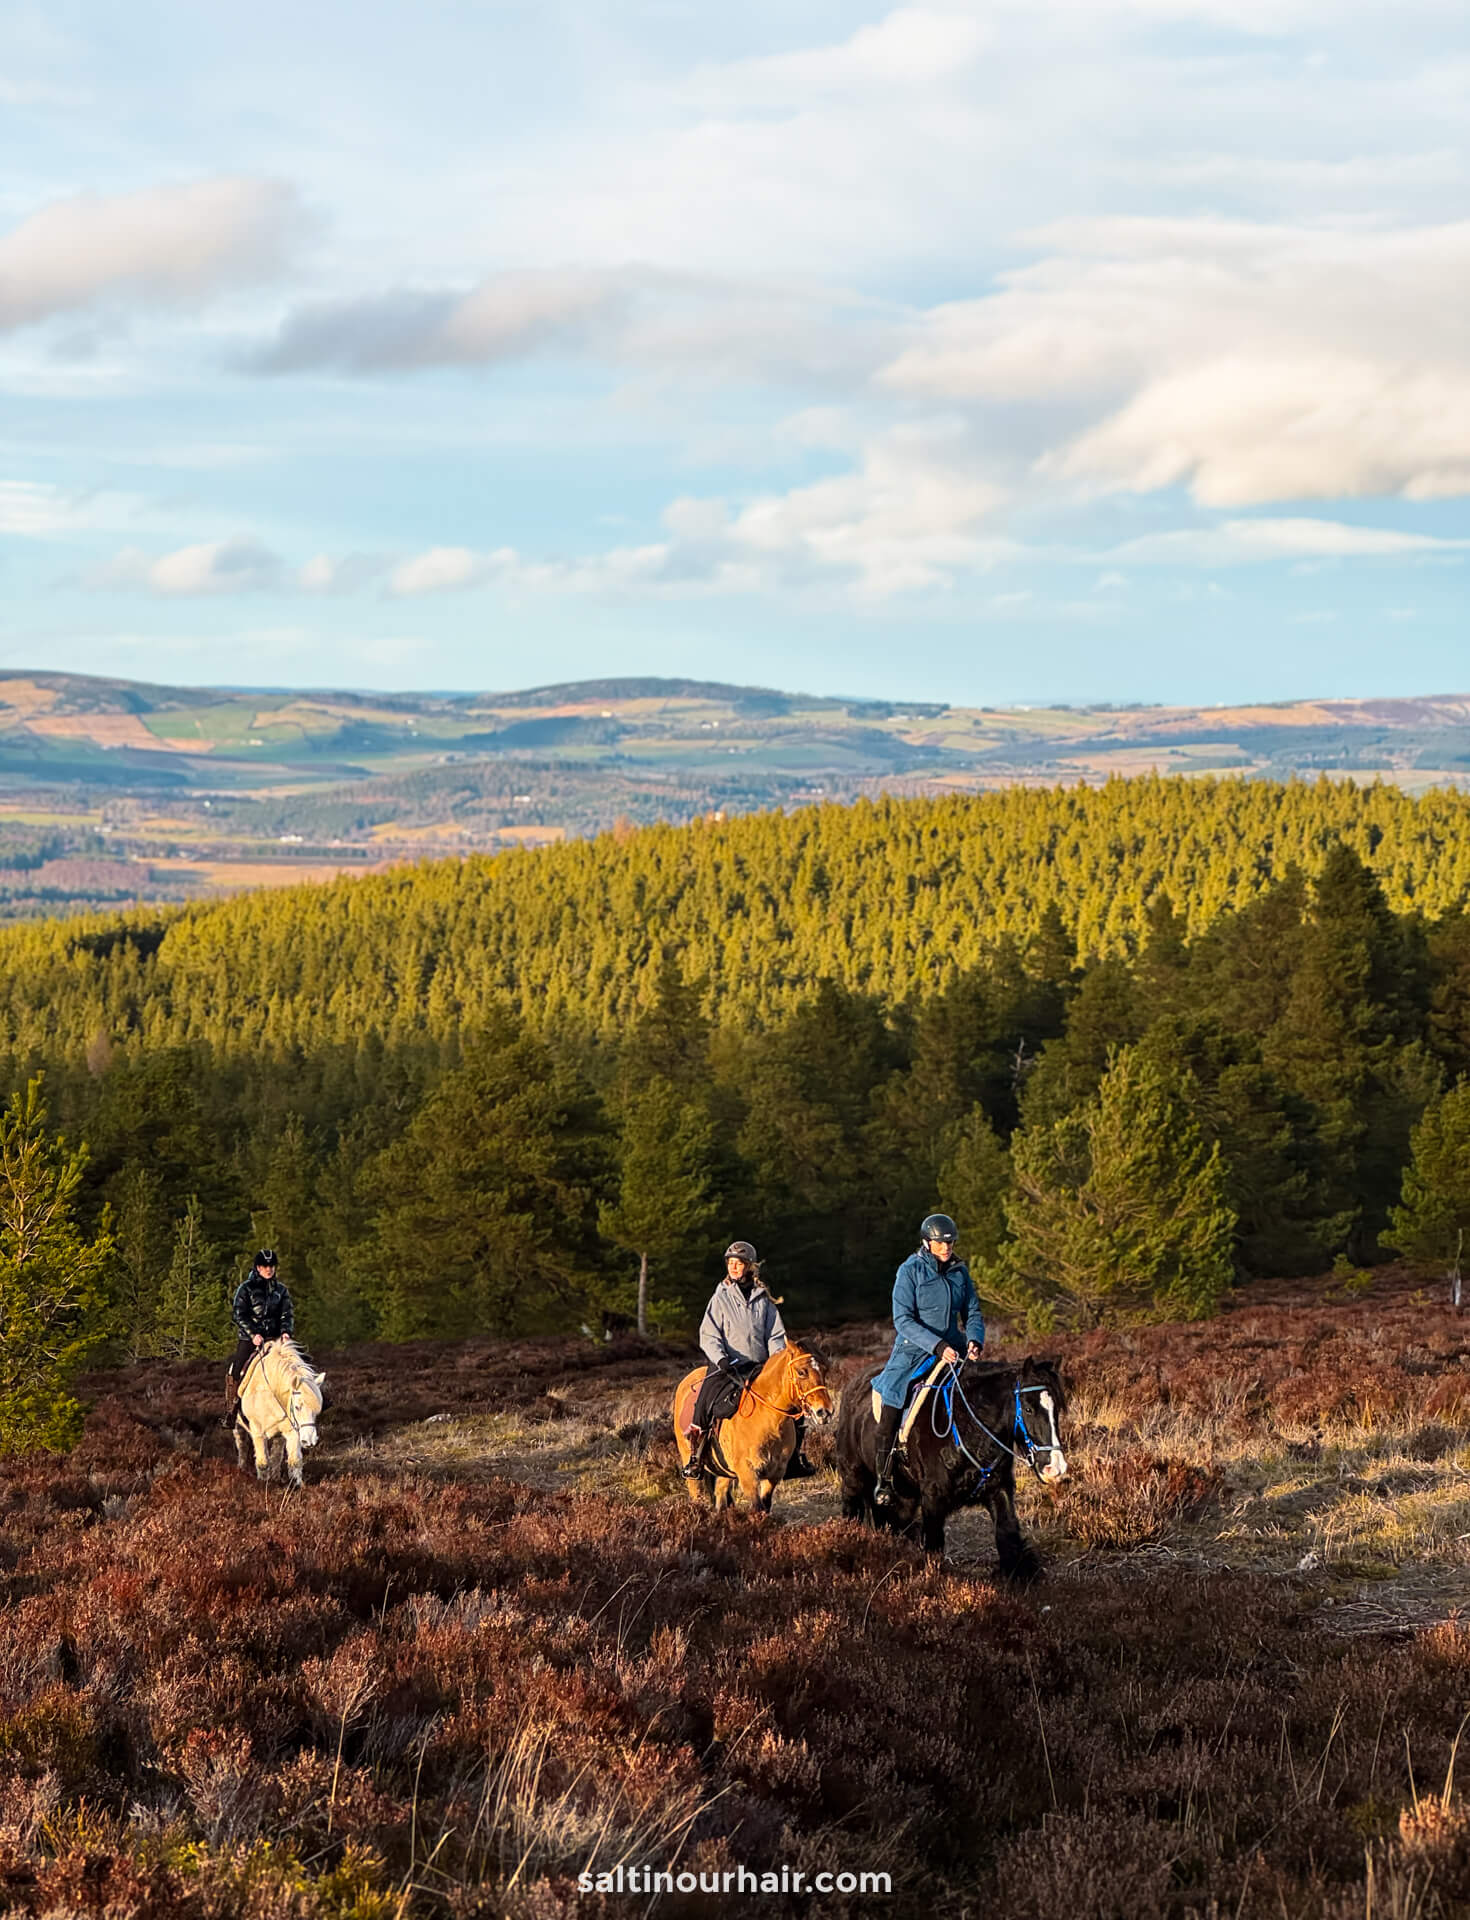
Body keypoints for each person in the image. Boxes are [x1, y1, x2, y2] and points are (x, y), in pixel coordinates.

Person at [870, 1213, 985, 1506]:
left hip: (954, 1347)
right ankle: (884, 1478)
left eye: (950, 1242)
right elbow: (903, 1319)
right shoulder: (909, 1271)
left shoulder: (960, 1272)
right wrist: (936, 1346)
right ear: (926, 1242)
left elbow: (972, 1311)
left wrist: (974, 1340)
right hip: (913, 1350)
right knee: (893, 1398)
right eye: (940, 1243)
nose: (946, 1247)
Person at [683, 1241, 814, 1479]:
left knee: (795, 1406)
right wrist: (722, 1360)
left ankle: (793, 1458)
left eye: (739, 1263)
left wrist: (775, 1361)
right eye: (730, 1263)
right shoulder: (719, 1298)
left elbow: (775, 1334)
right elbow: (708, 1335)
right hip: (726, 1365)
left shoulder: (763, 1298)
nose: (734, 1267)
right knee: (706, 1399)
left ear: (749, 1266)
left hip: (759, 1367)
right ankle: (696, 1458)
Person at [226, 1248, 295, 1414]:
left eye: (271, 1265)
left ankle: (316, 1398)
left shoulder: (281, 1290)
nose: (269, 1269)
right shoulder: (245, 1289)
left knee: (302, 1362)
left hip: (276, 1339)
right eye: (265, 1266)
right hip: (250, 1339)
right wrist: (253, 1335)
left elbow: (287, 1314)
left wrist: (286, 1332)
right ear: (258, 1268)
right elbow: (238, 1314)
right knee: (237, 1369)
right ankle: (231, 1409)